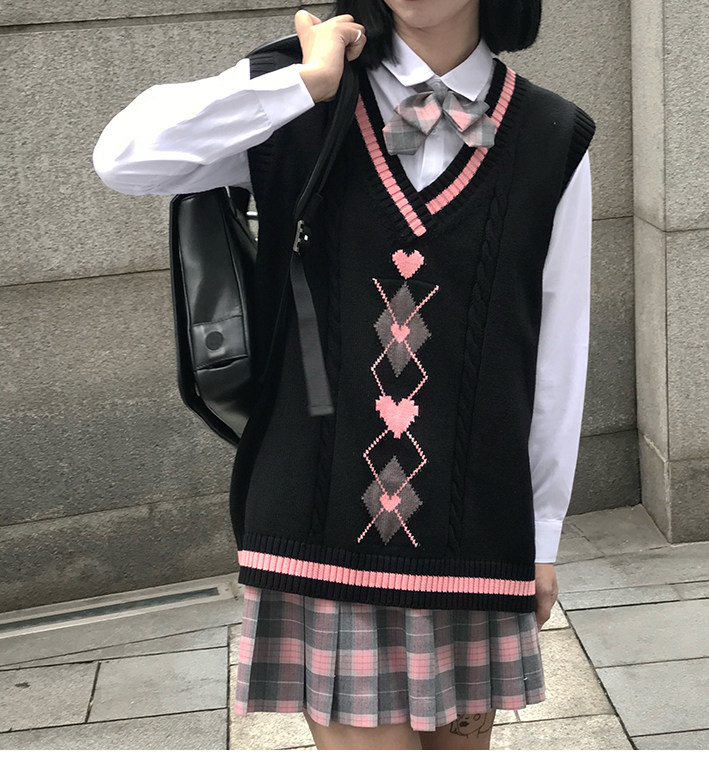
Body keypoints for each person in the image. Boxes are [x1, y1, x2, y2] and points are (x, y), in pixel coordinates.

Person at [93, 0, 594, 750]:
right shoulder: (301, 98)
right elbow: (123, 157)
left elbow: (554, 354)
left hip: (473, 531)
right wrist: (301, 83)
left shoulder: (552, 135)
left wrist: (543, 534)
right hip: (320, 523)